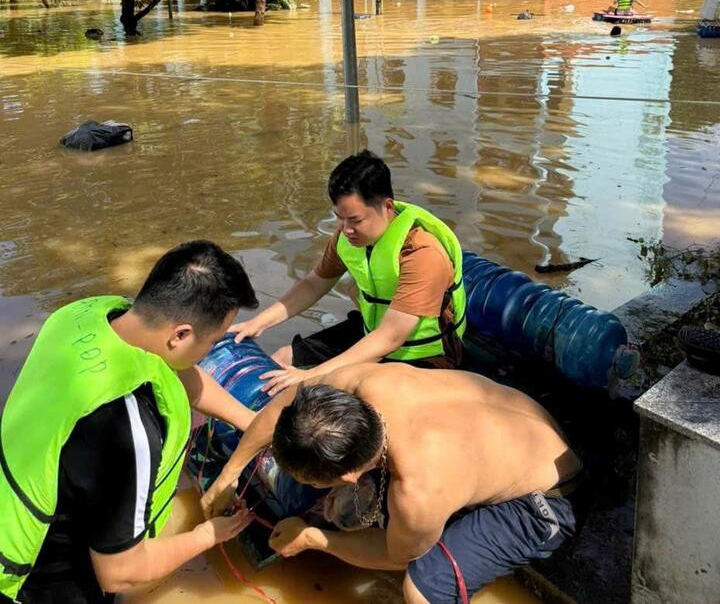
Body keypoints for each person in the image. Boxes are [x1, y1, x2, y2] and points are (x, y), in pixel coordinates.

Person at [0, 240, 259, 604]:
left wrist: (251, 420)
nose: (209, 352)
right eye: (212, 341)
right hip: (42, 584)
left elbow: (175, 371)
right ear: (181, 334)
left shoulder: (85, 317)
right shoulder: (125, 428)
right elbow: (120, 572)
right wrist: (208, 536)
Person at [201, 363, 586, 604]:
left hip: (546, 498)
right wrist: (229, 474)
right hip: (523, 428)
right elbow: (288, 403)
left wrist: (315, 539)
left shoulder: (420, 490)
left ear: (350, 476)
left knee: (422, 591)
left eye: (308, 480)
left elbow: (396, 555)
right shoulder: (367, 385)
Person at [230, 150, 467, 396]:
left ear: (387, 207)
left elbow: (391, 336)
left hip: (422, 358)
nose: (346, 229)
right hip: (371, 334)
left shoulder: (422, 253)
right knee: (283, 358)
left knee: (329, 392)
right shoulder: (345, 237)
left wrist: (313, 376)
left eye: (355, 220)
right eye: (339, 218)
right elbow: (314, 284)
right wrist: (258, 322)